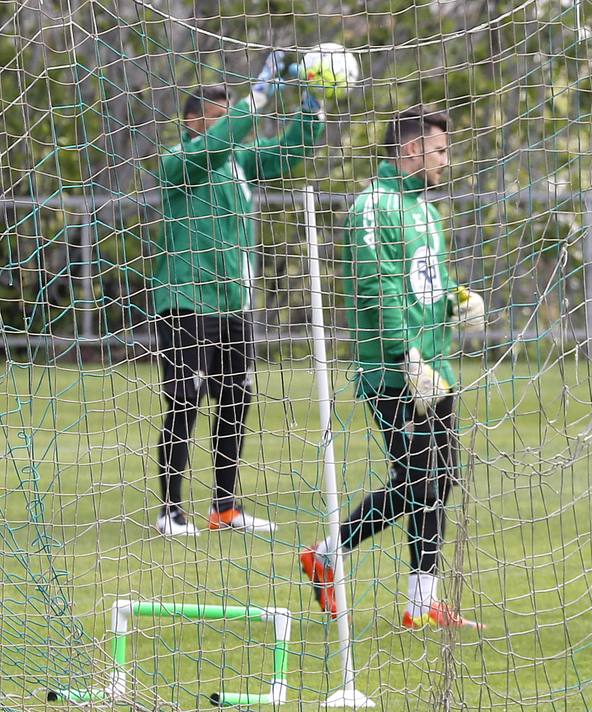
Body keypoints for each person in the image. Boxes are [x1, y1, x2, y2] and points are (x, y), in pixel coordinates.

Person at [300, 106, 486, 630]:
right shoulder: (371, 206)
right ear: (411, 149)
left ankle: (420, 603)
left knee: (439, 478)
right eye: (441, 150)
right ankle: (327, 555)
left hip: (437, 368)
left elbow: (427, 281)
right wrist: (408, 356)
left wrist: (458, 300)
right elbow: (377, 287)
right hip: (394, 372)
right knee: (420, 481)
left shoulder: (425, 210)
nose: (447, 161)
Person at [151, 53, 327, 536]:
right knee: (185, 399)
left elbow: (290, 150)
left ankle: (224, 507)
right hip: (186, 300)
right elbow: (219, 143)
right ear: (193, 121)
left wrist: (312, 106)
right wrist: (257, 98)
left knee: (235, 399)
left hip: (234, 303)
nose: (229, 119)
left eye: (232, 110)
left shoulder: (238, 162)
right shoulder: (179, 161)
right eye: (219, 112)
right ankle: (170, 510)